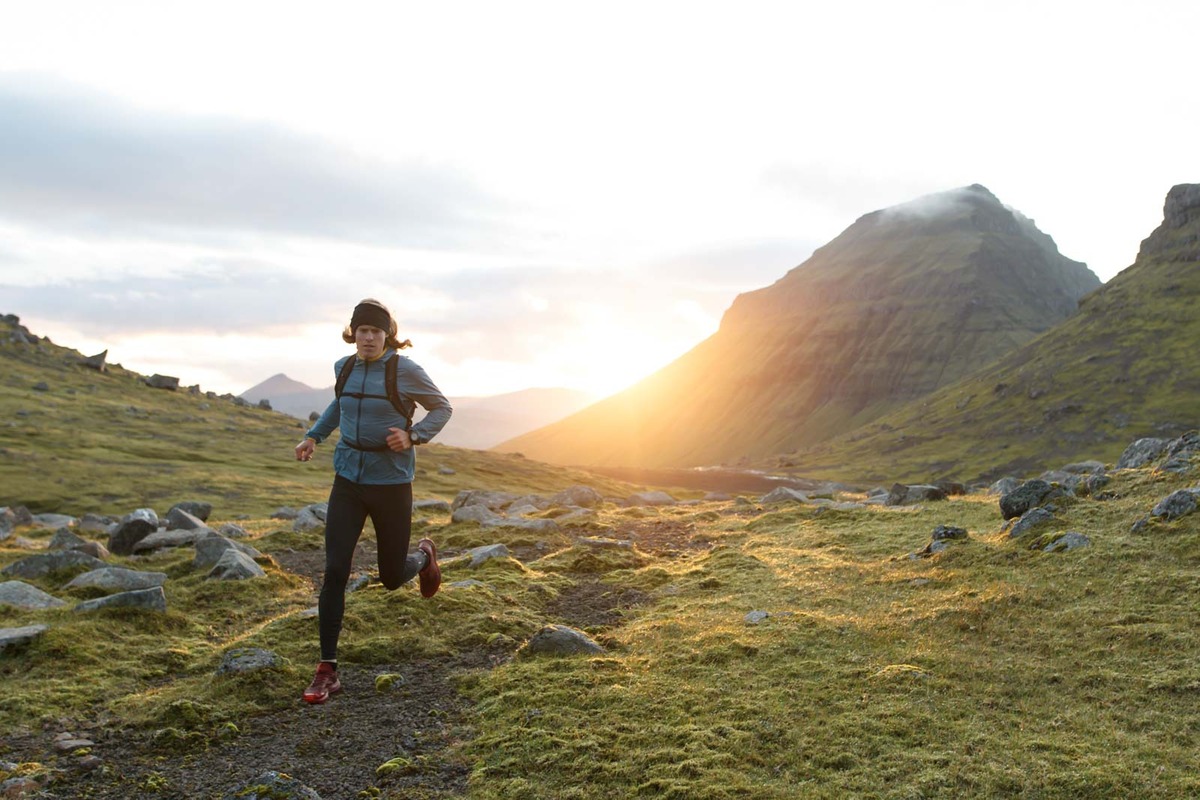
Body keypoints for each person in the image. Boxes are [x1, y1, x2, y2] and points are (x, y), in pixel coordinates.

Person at [294, 298, 453, 704]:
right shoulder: (343, 367)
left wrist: (414, 435)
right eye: (361, 331)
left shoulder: (405, 370)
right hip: (347, 477)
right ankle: (327, 669)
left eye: (376, 332)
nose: (367, 338)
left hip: (391, 482)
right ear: (353, 333)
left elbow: (442, 407)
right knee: (334, 570)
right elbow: (339, 405)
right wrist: (314, 436)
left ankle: (423, 558)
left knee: (390, 576)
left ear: (388, 336)